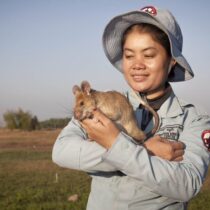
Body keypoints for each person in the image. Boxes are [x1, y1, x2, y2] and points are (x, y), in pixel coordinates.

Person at [52, 5, 210, 210]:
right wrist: (143, 151)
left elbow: (187, 184)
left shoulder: (194, 119)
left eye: (149, 55)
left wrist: (114, 146)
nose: (137, 64)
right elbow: (62, 151)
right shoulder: (102, 103)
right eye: (129, 56)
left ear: (171, 62)